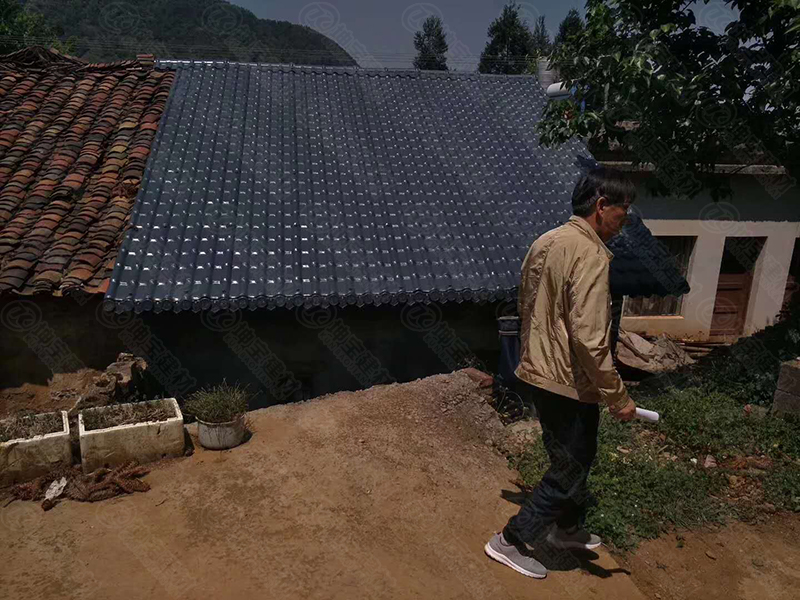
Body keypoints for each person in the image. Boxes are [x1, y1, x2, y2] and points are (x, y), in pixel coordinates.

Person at [485, 167, 638, 579]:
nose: (624, 220)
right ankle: (511, 540)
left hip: (540, 370)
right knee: (570, 465)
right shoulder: (590, 254)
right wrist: (619, 397)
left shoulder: (546, 241)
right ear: (602, 206)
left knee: (571, 455)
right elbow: (590, 339)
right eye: (623, 211)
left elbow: (528, 304)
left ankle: (566, 528)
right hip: (569, 378)